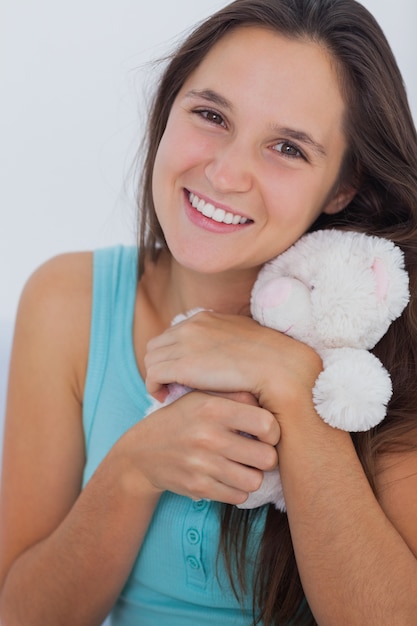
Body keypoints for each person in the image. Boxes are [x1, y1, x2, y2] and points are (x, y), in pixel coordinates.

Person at [1, 0, 417, 624]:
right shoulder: (68, 302)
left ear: (344, 185)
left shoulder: (385, 329)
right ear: (168, 111)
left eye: (286, 146)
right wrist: (133, 469)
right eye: (211, 114)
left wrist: (292, 385)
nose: (225, 172)